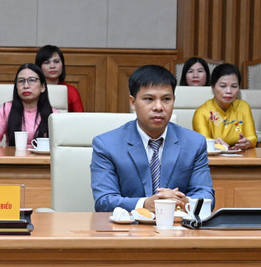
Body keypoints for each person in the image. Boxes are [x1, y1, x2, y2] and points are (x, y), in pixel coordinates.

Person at [91, 65, 215, 212]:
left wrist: (185, 202)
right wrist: (144, 204)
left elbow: (206, 196)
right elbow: (104, 201)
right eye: (149, 99)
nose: (158, 107)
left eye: (166, 99)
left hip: (178, 229)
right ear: (133, 102)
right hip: (126, 230)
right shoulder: (106, 145)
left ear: (173, 101)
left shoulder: (194, 143)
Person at [0, 64, 58, 148]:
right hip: (13, 159)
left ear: (42, 87)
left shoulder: (54, 115)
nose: (26, 86)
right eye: (21, 81)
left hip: (44, 160)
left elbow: (60, 148)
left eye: (32, 80)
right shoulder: (7, 109)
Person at [192, 63, 257, 150]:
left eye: (234, 86)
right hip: (212, 160)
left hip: (241, 157)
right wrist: (215, 144)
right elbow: (204, 143)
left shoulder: (243, 106)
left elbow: (252, 137)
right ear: (213, 87)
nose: (229, 91)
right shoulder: (201, 112)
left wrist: (248, 143)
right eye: (223, 86)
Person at [35, 44, 84, 112]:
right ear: (39, 67)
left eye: (56, 62)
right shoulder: (33, 89)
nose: (52, 66)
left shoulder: (71, 91)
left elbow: (80, 119)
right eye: (47, 62)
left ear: (62, 65)